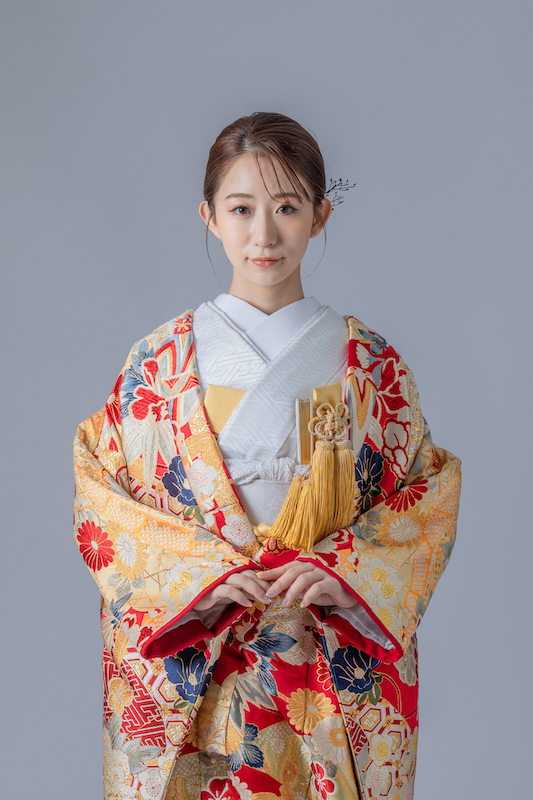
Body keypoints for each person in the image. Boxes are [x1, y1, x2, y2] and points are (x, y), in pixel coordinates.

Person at [73, 112, 461, 800]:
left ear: (319, 216)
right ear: (208, 216)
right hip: (204, 641)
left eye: (286, 207)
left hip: (320, 645)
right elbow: (103, 495)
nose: (263, 234)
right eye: (241, 208)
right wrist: (200, 578)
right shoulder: (158, 363)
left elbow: (424, 498)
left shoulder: (370, 365)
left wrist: (344, 573)